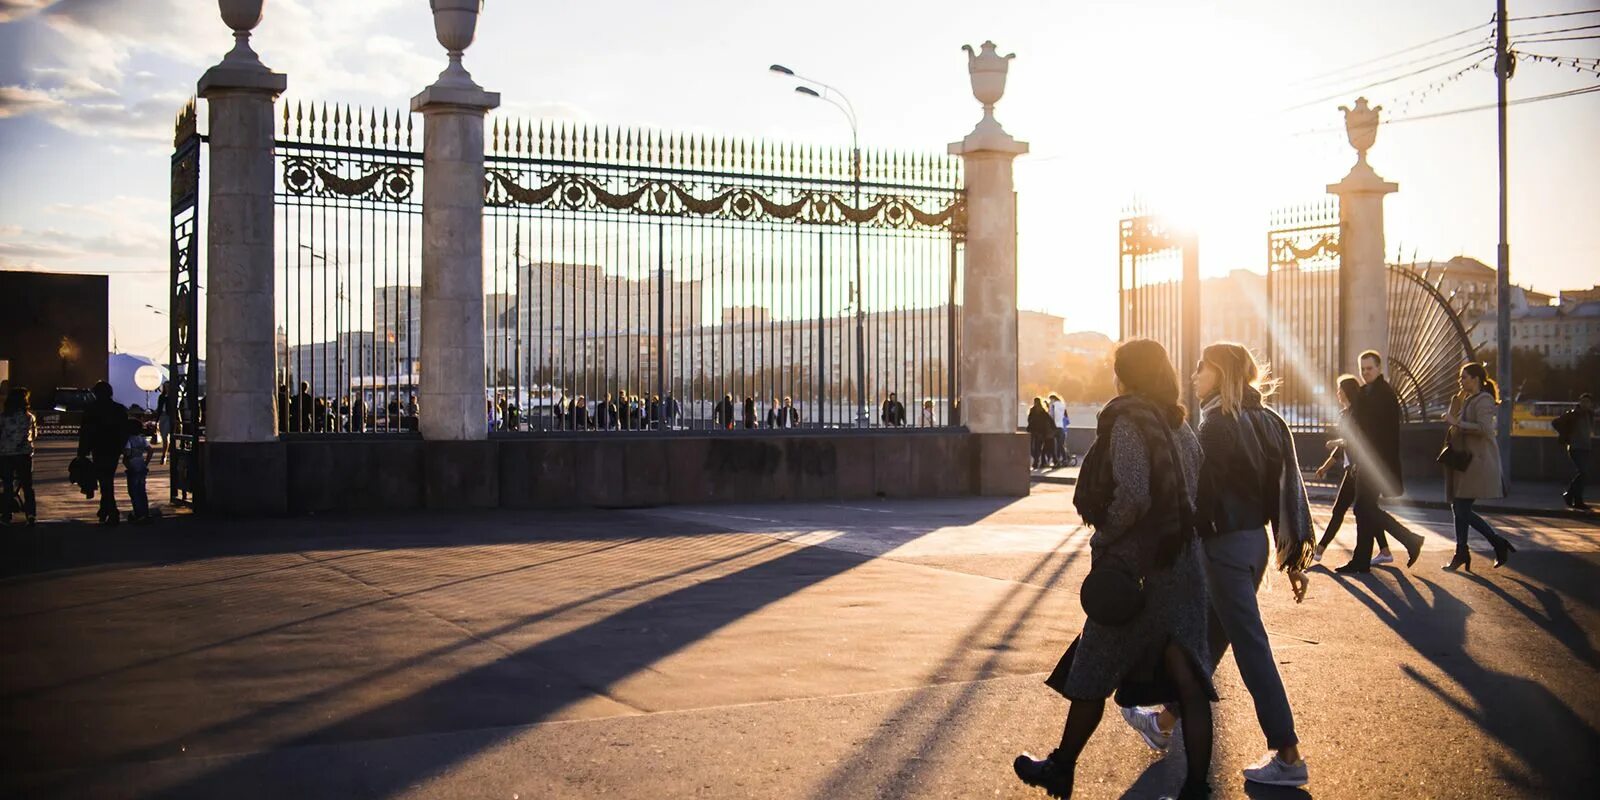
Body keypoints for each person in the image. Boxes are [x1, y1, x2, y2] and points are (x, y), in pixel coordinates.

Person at [1014, 339, 1215, 800]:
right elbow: (1193, 488)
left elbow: (1135, 494)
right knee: (1189, 678)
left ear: (1128, 375)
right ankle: (1197, 790)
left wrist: (1104, 538)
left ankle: (1061, 768)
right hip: (1182, 565)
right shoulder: (1181, 424)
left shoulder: (1128, 421)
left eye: (1116, 369)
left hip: (1136, 569)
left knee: (1093, 667)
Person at [1122, 343, 1313, 789]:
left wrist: (1166, 542)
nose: (1194, 371)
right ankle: (1165, 721)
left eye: (1201, 364)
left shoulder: (1215, 424)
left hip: (1222, 547)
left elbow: (1197, 496)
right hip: (1256, 545)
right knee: (1210, 637)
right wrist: (1292, 561)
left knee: (1251, 645)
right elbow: (1287, 495)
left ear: (1220, 371)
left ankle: (1287, 753)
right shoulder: (1271, 422)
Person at [1336, 350, 1425, 574]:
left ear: (1379, 369)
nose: (1366, 372)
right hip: (1367, 462)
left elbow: (1376, 432)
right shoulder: (1366, 392)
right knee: (1364, 509)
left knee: (1363, 508)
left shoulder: (1384, 394)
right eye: (1363, 369)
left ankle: (1410, 539)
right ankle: (1362, 560)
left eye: (1370, 368)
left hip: (1378, 463)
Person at [1442, 362, 1516, 571]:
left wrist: (1457, 423)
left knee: (1460, 508)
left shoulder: (1484, 400)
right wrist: (1456, 403)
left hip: (1478, 462)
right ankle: (1462, 552)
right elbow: (1454, 419)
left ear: (1476, 379)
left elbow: (1485, 429)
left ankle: (1495, 542)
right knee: (1459, 507)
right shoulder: (1468, 399)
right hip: (1467, 461)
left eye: (1464, 377)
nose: (1461, 381)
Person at [1312, 375, 1388, 562]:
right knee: (1367, 510)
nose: (1337, 393)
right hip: (1352, 468)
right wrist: (1325, 467)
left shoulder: (1358, 414)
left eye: (1339, 390)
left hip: (1360, 469)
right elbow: (1342, 448)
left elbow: (1356, 441)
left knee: (1340, 510)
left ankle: (1319, 550)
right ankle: (1385, 552)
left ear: (1346, 391)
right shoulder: (1343, 414)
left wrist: (1337, 442)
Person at [77, 381, 129, 526]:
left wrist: (82, 452)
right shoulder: (119, 409)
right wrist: (122, 448)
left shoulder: (91, 410)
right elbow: (124, 431)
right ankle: (105, 509)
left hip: (98, 448)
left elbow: (86, 433)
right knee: (107, 479)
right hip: (113, 449)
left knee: (104, 480)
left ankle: (111, 511)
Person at [0, 387, 39, 526]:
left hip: (6, 454)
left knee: (8, 484)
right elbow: (34, 435)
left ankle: (6, 514)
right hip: (24, 454)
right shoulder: (29, 417)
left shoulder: (3, 418)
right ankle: (30, 513)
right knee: (27, 485)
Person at [1554, 393, 1594, 511]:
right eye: (1583, 401)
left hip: (1586, 447)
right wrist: (1566, 436)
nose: (1585, 404)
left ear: (1591, 404)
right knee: (1583, 472)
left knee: (1583, 474)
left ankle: (1572, 497)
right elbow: (1555, 422)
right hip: (1575, 447)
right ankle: (1575, 499)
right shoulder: (1573, 414)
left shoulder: (1590, 414)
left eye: (1587, 402)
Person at [122, 417, 153, 524]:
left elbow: (127, 452)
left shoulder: (129, 439)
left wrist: (126, 462)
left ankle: (138, 513)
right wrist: (146, 463)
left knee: (133, 492)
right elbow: (150, 450)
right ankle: (145, 512)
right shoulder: (141, 439)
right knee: (142, 490)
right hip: (141, 465)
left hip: (133, 467)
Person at [1026, 397, 1055, 470]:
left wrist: (1030, 428)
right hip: (1042, 433)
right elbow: (1050, 420)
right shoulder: (1043, 411)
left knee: (1036, 449)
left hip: (1036, 432)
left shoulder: (1033, 410)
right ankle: (1042, 462)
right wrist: (1053, 429)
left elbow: (1030, 420)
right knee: (1041, 448)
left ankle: (1036, 462)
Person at [1049, 393, 1069, 467]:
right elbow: (1064, 416)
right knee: (1060, 445)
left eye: (1050, 399)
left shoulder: (1053, 405)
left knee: (1051, 445)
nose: (1050, 401)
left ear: (1053, 399)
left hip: (1054, 427)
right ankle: (1064, 459)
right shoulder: (1062, 405)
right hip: (1061, 427)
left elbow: (1051, 415)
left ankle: (1056, 460)